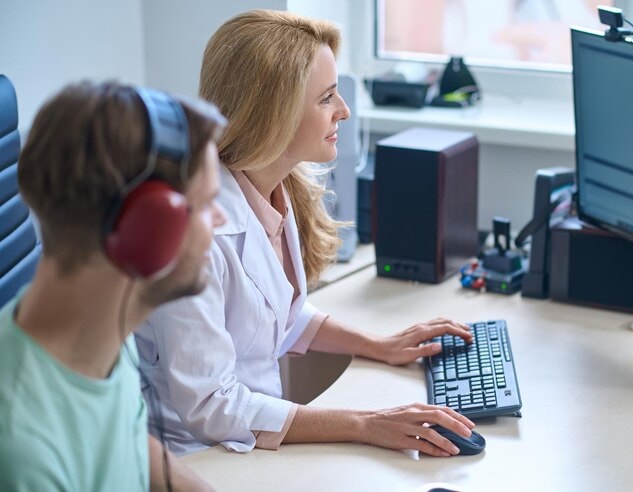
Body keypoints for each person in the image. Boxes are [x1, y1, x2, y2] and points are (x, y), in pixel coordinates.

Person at [136, 9, 476, 459]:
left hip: (252, 439)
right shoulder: (197, 234)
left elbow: (278, 314)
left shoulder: (275, 186)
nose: (345, 110)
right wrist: (366, 424)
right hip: (200, 457)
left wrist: (380, 345)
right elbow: (210, 404)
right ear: (273, 114)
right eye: (326, 98)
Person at [0, 81, 226, 491]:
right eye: (209, 204)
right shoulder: (21, 453)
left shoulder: (99, 327)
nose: (222, 220)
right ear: (149, 229)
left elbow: (126, 432)